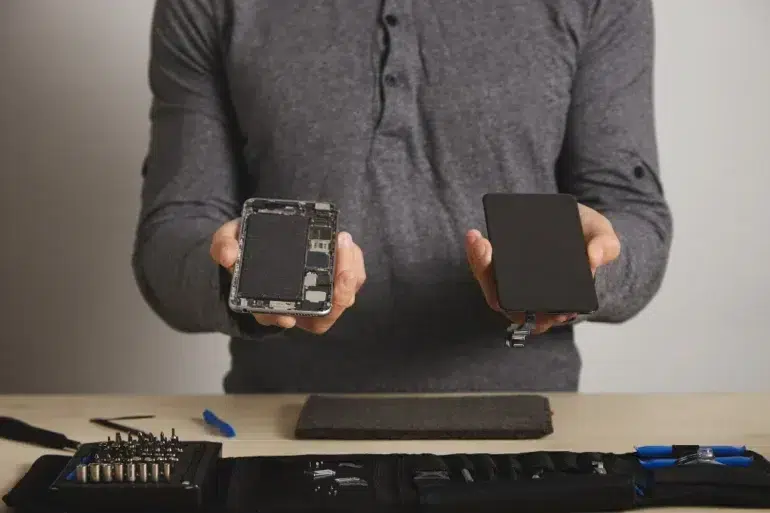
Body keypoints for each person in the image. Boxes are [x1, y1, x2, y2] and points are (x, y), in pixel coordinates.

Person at [132, 0, 672, 393]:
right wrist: (239, 278)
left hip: (527, 430)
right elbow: (170, 239)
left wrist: (584, 268)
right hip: (279, 429)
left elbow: (634, 216)